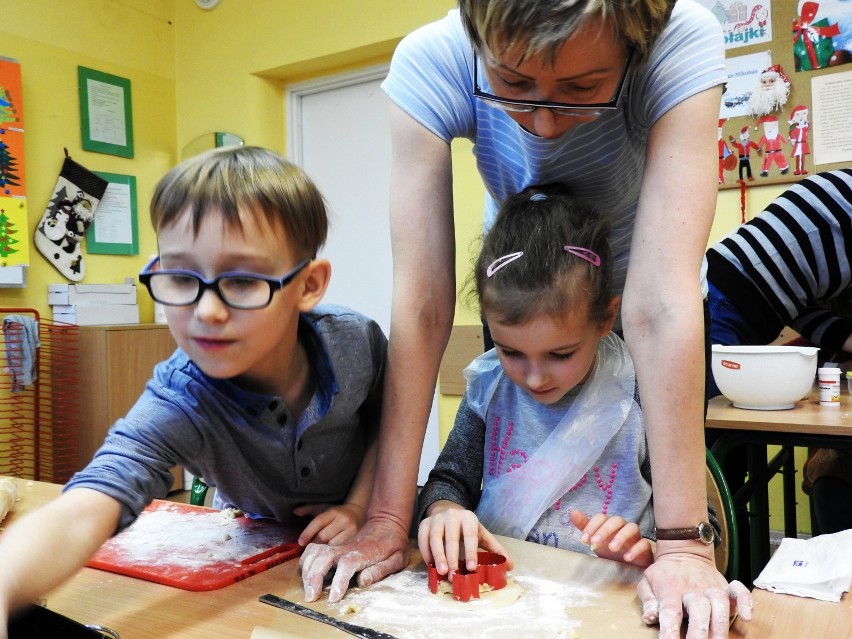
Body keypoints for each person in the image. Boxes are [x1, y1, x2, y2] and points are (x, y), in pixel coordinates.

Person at [300, 1, 753, 636]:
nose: (542, 124)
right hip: (524, 292)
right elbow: (425, 303)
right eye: (512, 85)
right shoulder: (436, 58)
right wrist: (387, 522)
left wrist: (680, 546)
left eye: (581, 90)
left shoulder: (681, 38)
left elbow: (658, 302)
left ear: (633, 43)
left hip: (635, 296)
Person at [0, 146, 387, 630]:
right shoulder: (182, 397)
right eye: (182, 277)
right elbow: (86, 507)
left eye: (243, 280)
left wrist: (359, 506)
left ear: (309, 285)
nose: (206, 311)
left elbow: (388, 420)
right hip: (259, 549)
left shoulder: (355, 341)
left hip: (369, 538)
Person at [418, 185, 657, 574]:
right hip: (508, 591)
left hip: (606, 603)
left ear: (606, 318)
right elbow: (448, 479)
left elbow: (699, 526)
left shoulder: (641, 393)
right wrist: (444, 510)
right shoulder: (490, 389)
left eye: (560, 354)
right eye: (509, 351)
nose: (533, 377)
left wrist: (649, 551)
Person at [706, 168, 852, 538]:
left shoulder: (834, 223)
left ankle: (732, 566)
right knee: (715, 449)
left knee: (726, 451)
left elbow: (801, 303)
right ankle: (718, 566)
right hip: (720, 301)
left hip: (733, 302)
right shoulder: (844, 202)